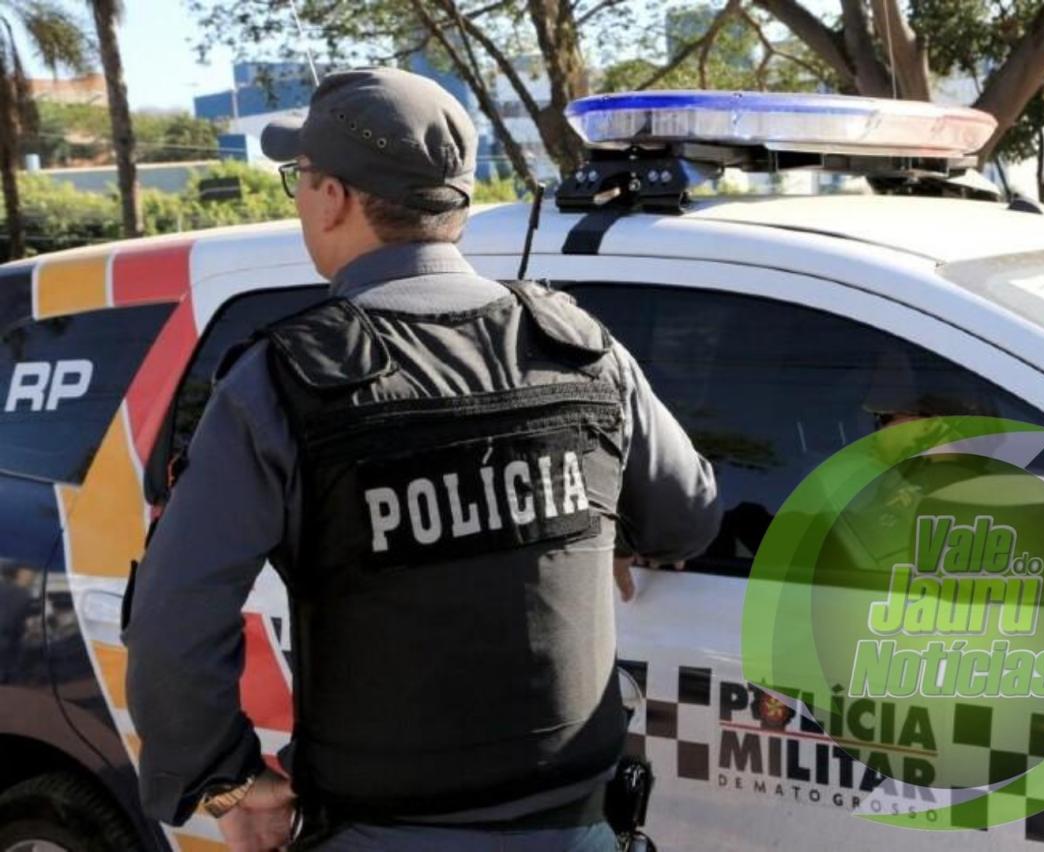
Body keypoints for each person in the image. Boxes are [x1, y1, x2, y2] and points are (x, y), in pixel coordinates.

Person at [123, 67, 721, 852]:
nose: (299, 197)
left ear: (333, 196)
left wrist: (228, 781)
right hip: (577, 824)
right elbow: (686, 517)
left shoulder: (281, 380)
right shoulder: (580, 349)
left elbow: (174, 621)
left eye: (300, 177)